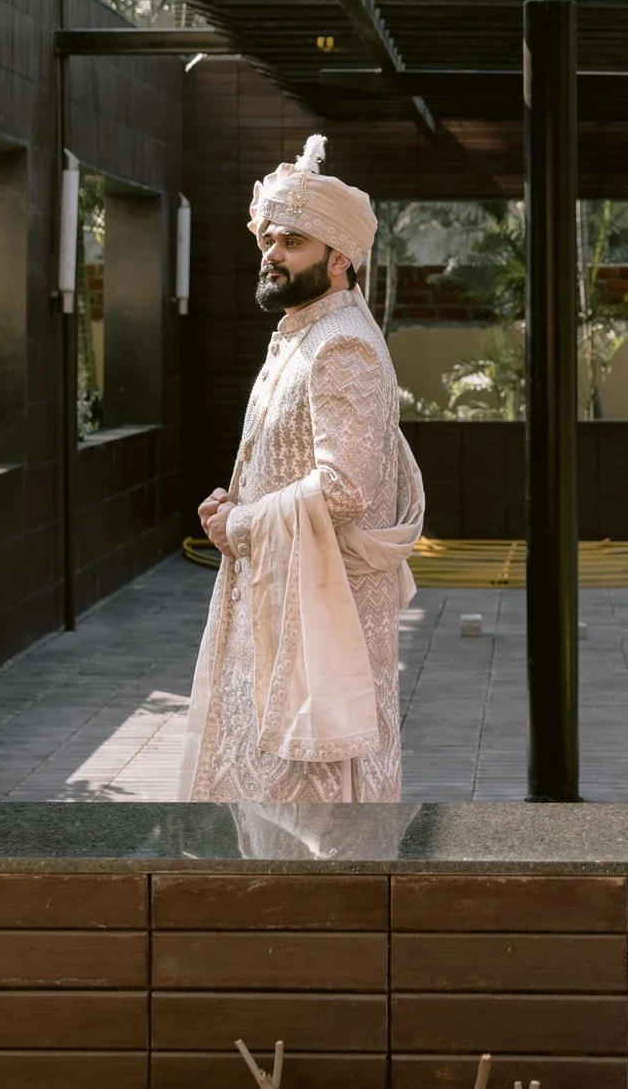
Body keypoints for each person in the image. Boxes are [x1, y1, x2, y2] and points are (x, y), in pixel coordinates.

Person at [178, 135, 423, 803]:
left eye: (292, 242)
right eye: (269, 240)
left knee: (321, 805)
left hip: (324, 613)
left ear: (339, 258)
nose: (272, 254)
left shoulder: (342, 344)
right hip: (283, 592)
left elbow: (345, 486)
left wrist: (242, 524)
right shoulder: (303, 333)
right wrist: (236, 506)